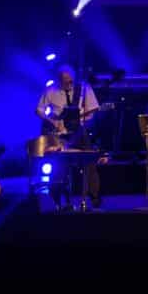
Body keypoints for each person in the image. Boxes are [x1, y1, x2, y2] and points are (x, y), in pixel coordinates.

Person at [35, 64, 103, 210]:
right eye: (63, 80)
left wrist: (82, 118)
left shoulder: (84, 89)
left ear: (73, 78)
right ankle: (57, 199)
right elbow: (39, 110)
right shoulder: (51, 90)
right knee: (59, 166)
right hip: (58, 134)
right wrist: (52, 121)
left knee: (90, 161)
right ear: (58, 79)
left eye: (69, 80)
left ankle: (94, 197)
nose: (67, 83)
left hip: (79, 132)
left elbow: (91, 112)